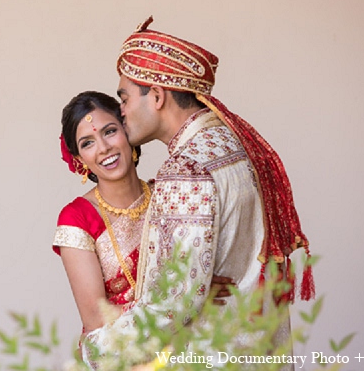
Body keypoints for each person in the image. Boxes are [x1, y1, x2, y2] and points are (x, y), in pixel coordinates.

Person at [81, 17, 315, 369]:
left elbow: (174, 302)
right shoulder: (238, 145)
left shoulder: (186, 169)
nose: (122, 111)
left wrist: (97, 350)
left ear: (157, 96)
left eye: (125, 98)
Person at [53, 91, 234, 342]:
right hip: (122, 352)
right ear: (79, 159)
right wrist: (189, 300)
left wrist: (195, 294)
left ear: (128, 132)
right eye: (87, 143)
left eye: (109, 131)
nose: (104, 148)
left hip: (185, 345)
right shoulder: (77, 217)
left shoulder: (168, 197)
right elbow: (96, 317)